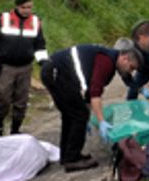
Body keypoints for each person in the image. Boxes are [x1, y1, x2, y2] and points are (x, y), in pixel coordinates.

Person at [40, 40, 141, 172]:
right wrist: (101, 121)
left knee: (70, 115)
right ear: (125, 58)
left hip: (53, 70)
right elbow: (95, 94)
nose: (130, 71)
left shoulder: (109, 59)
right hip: (58, 72)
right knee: (79, 115)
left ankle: (67, 155)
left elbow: (88, 93)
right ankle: (72, 159)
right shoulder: (107, 62)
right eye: (131, 68)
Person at [0, 0, 48, 136]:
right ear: (17, 6)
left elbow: (39, 45)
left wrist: (44, 63)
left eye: (29, 7)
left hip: (25, 67)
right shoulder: (4, 18)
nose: (26, 10)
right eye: (23, 7)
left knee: (21, 101)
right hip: (6, 67)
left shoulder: (35, 21)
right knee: (3, 98)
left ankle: (15, 130)